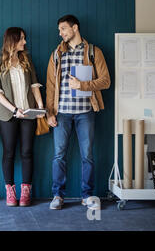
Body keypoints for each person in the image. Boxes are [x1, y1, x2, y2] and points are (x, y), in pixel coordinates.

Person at [46, 15, 111, 211]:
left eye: (64, 29)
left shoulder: (93, 52)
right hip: (62, 113)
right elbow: (50, 86)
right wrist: (49, 113)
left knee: (88, 155)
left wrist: (82, 85)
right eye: (59, 30)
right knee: (59, 156)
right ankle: (58, 195)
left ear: (75, 28)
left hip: (86, 113)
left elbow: (105, 81)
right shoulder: (57, 53)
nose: (61, 33)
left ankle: (87, 195)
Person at [0, 27, 45, 207]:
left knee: (27, 152)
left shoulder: (26, 60)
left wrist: (40, 108)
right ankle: (10, 192)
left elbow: (34, 86)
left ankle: (25, 192)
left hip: (28, 114)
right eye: (22, 39)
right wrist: (15, 110)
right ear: (12, 41)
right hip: (8, 114)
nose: (25, 42)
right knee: (8, 153)